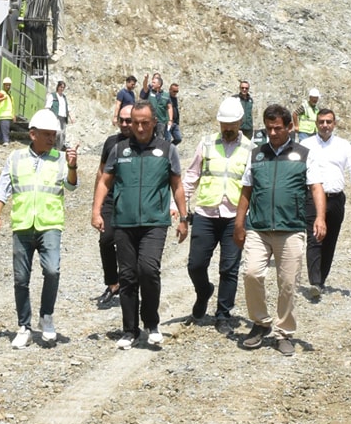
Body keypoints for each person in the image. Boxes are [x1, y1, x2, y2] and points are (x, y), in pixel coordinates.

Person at [234, 105, 326, 358]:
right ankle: (261, 323)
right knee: (251, 273)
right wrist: (239, 223)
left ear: (290, 127)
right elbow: (246, 191)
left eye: (278, 128)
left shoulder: (305, 155)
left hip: (291, 228)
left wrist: (320, 218)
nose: (273, 132)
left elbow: (317, 188)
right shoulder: (256, 155)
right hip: (259, 228)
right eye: (269, 128)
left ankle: (284, 332)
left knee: (287, 284)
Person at [91, 100, 184, 349]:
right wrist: (96, 211)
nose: (140, 128)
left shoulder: (167, 150)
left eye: (145, 123)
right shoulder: (119, 150)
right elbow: (104, 181)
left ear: (154, 122)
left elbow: (177, 185)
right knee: (128, 276)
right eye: (135, 123)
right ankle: (129, 329)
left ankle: (152, 323)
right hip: (124, 221)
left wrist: (184, 217)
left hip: (155, 222)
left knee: (148, 270)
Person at [0, 109, 78, 349]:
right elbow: (2, 188)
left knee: (52, 271)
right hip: (22, 225)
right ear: (33, 134)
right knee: (21, 279)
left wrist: (72, 166)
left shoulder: (60, 159)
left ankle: (46, 317)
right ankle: (24, 327)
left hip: (50, 224)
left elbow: (71, 187)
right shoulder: (16, 158)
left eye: (54, 135)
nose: (52, 139)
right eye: (47, 135)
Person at [181, 96, 251, 325]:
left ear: (240, 122)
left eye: (231, 125)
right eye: (224, 124)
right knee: (196, 264)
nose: (227, 129)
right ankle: (204, 292)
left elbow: (254, 185)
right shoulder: (207, 143)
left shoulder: (250, 149)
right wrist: (180, 206)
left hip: (235, 216)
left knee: (229, 268)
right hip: (206, 213)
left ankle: (223, 314)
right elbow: (192, 176)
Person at [302, 107, 351, 300]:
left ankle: (321, 280)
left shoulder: (343, 145)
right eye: (321, 122)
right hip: (312, 198)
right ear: (316, 124)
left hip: (336, 198)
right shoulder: (306, 144)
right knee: (314, 238)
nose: (325, 125)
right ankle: (314, 281)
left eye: (328, 122)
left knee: (330, 240)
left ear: (334, 124)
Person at [93, 102, 136, 307]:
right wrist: (96, 207)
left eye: (129, 120)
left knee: (131, 246)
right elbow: (101, 174)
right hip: (111, 199)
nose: (125, 124)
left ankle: (131, 285)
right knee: (106, 240)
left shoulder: (143, 142)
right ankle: (113, 283)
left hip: (132, 201)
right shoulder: (110, 143)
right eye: (122, 120)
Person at [0, 78, 15, 144]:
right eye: (6, 85)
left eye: (9, 85)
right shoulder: (1, 93)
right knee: (6, 131)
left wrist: (13, 115)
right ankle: (6, 142)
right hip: (3, 116)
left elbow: (12, 106)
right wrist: (3, 98)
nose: (8, 86)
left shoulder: (10, 95)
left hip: (8, 116)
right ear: (3, 85)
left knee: (2, 133)